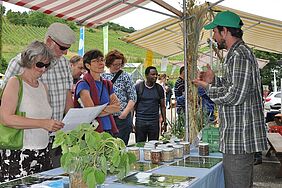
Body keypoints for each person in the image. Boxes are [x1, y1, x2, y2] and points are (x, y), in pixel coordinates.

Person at [192, 11, 268, 188]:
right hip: (238, 138)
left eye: (216, 32)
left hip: (238, 139)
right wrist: (214, 80)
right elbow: (235, 87)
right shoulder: (236, 55)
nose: (215, 37)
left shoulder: (239, 55)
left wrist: (207, 88)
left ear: (225, 31)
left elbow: (235, 95)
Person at [3, 22, 76, 168]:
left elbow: (68, 99)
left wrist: (74, 123)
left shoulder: (63, 66)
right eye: (62, 48)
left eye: (68, 49)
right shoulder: (18, 64)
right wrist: (42, 123)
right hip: (20, 143)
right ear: (49, 41)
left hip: (56, 138)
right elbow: (4, 108)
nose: (65, 53)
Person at [0, 41, 64, 181]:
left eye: (46, 65)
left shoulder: (43, 87)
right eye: (39, 64)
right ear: (29, 61)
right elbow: (5, 118)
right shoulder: (15, 83)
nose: (43, 69)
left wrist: (53, 125)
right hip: (20, 154)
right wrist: (42, 123)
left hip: (43, 152)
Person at [74, 49, 120, 135]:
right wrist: (110, 108)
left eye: (102, 60)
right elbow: (91, 112)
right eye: (96, 61)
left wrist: (98, 110)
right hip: (91, 132)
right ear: (88, 65)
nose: (101, 63)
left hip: (109, 129)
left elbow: (117, 107)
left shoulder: (107, 84)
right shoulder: (83, 84)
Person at [102, 50, 137, 145]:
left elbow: (133, 97)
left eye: (120, 64)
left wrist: (124, 114)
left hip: (122, 117)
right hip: (107, 117)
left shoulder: (126, 76)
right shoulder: (103, 76)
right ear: (109, 64)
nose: (118, 67)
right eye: (115, 64)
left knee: (121, 146)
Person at [134, 66, 166, 142]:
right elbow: (133, 106)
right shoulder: (138, 87)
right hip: (140, 122)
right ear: (146, 75)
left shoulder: (159, 89)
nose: (155, 76)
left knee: (154, 146)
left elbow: (162, 106)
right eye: (152, 74)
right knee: (140, 145)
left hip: (154, 123)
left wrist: (164, 122)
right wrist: (131, 122)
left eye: (156, 74)